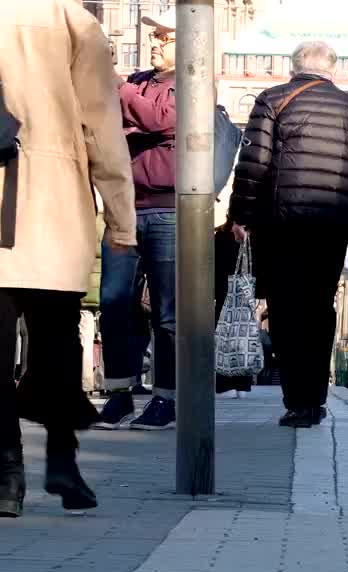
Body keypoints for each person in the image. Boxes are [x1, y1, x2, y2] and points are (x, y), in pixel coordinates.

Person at [1, 0, 136, 517]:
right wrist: (122, 221)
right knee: (56, 338)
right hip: (52, 199)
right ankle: (62, 461)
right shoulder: (72, 21)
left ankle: (6, 474)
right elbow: (102, 126)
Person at [229, 41, 348, 428]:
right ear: (331, 70)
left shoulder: (272, 100)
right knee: (320, 310)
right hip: (332, 227)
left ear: (294, 68)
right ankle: (315, 400)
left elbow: (253, 163)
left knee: (286, 311)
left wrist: (240, 215)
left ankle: (297, 402)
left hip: (281, 225)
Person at [95, 9, 180, 431]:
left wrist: (125, 97)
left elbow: (161, 120)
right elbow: (111, 123)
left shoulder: (190, 85)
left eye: (163, 38)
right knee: (113, 303)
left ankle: (167, 398)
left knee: (167, 312)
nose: (154, 43)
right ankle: (119, 394)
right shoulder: (140, 83)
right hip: (123, 205)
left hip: (167, 209)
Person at [214, 221, 253, 398]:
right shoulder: (251, 234)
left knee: (224, 340)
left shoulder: (220, 235)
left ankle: (225, 384)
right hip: (244, 294)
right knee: (243, 340)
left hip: (224, 294)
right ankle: (242, 385)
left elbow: (212, 266)